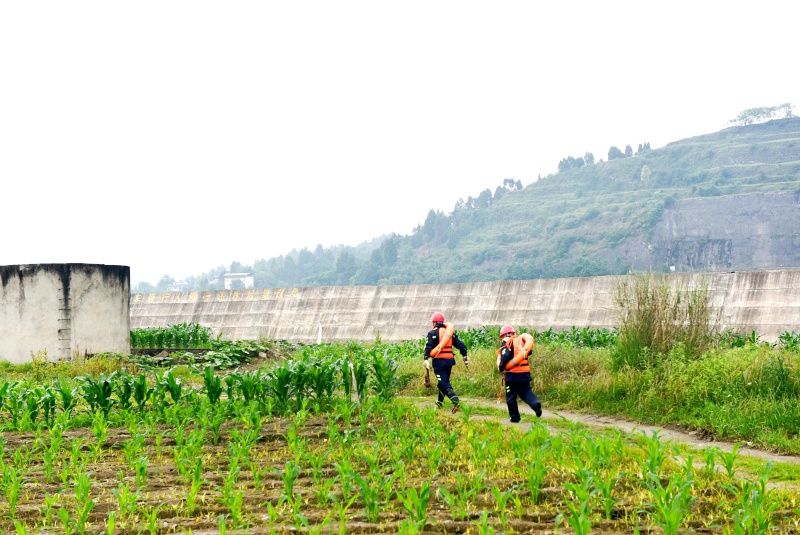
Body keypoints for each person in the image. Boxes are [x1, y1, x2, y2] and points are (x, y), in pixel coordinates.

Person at [424, 312, 469, 413]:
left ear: (435, 322)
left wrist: (425, 359)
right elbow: (460, 345)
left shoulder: (432, 333)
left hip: (439, 362)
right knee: (443, 383)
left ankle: (455, 400)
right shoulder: (450, 333)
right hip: (449, 361)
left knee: (443, 383)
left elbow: (428, 346)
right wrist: (464, 355)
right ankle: (439, 403)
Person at [496, 324, 542, 422]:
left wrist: (501, 368)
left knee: (511, 397)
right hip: (524, 374)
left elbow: (505, 357)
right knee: (526, 392)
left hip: (512, 376)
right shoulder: (521, 342)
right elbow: (528, 352)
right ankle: (535, 403)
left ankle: (515, 418)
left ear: (503, 335)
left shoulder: (506, 343)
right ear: (513, 333)